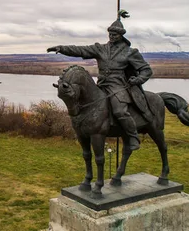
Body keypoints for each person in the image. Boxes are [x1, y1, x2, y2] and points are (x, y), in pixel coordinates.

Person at [47, 16, 153, 151]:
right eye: (110, 34)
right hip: (102, 85)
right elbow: (81, 50)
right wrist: (61, 48)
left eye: (114, 34)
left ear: (121, 35)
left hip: (118, 87)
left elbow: (146, 70)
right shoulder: (100, 49)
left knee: (120, 110)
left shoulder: (130, 52)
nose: (111, 36)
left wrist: (138, 80)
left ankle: (133, 137)